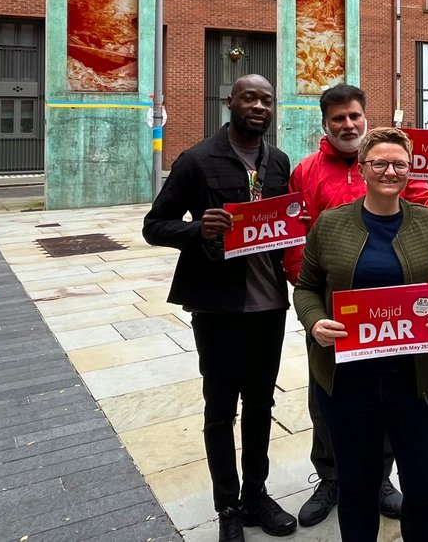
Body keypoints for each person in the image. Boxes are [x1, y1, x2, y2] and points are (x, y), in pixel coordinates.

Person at [285, 84, 428, 527]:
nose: (390, 171)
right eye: (380, 164)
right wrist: (314, 322)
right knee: (356, 489)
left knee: (426, 488)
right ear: (363, 169)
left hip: (415, 381)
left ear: (410, 170)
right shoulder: (330, 225)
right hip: (348, 380)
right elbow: (306, 287)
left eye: (399, 165)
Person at [142, 75, 297, 542]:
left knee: (261, 404)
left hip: (269, 306)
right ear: (229, 102)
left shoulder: (279, 162)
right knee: (220, 408)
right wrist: (199, 231)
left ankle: (257, 495)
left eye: (266, 100)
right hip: (217, 308)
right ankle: (226, 506)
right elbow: (155, 226)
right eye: (249, 98)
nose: (258, 106)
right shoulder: (196, 160)